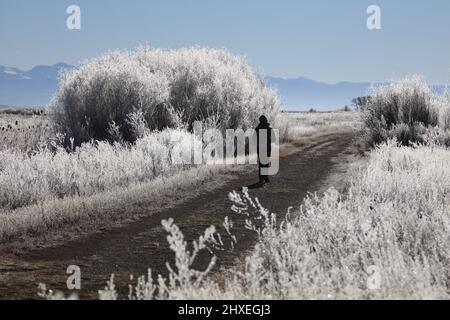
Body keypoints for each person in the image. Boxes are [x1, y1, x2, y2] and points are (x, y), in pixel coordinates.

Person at [255, 115, 272, 185]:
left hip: (260, 148)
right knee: (265, 163)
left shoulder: (257, 129)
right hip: (267, 147)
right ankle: (265, 177)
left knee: (261, 163)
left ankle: (262, 178)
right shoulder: (269, 129)